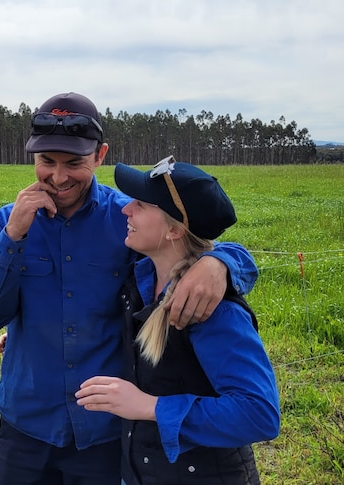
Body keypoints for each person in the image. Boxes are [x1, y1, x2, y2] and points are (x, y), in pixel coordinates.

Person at [0, 92, 258, 485]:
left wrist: (222, 263)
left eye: (74, 163)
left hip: (105, 432)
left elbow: (191, 241)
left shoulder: (130, 219)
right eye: (46, 162)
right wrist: (14, 235)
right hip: (25, 425)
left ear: (100, 155)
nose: (58, 176)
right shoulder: (8, 222)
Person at [75, 157, 280, 484]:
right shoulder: (140, 279)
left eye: (140, 204)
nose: (125, 210)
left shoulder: (214, 310)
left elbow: (260, 415)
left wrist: (149, 407)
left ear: (173, 230)